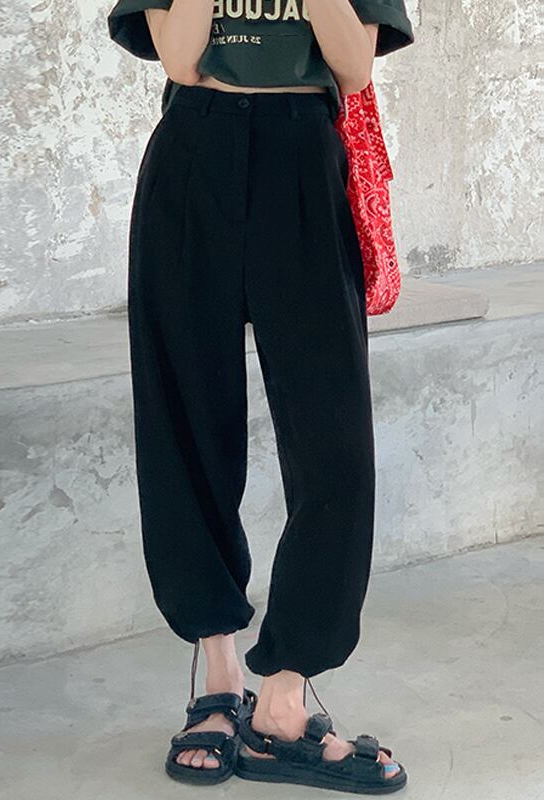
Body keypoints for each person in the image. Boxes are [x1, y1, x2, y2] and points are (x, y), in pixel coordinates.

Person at [107, 0, 414, 792]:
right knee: (186, 425)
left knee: (334, 447)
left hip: (304, 159)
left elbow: (352, 66)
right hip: (194, 155)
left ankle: (284, 697)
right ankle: (218, 677)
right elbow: (182, 59)